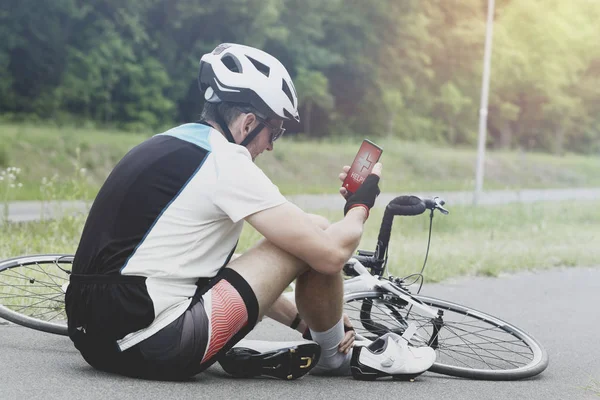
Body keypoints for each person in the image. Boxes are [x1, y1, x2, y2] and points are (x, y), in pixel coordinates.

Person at [65, 43, 435, 381]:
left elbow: (227, 271)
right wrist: (361, 203)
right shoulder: (226, 161)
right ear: (247, 123)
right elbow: (329, 256)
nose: (270, 147)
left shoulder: (161, 144)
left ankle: (319, 338)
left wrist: (298, 321)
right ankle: (334, 356)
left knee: (287, 238)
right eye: (273, 133)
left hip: (92, 341)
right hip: (161, 348)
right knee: (317, 231)